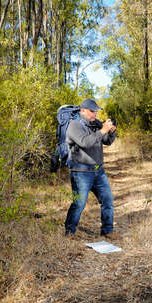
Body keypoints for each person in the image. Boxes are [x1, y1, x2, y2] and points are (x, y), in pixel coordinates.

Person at [64, 98, 117, 239]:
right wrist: (102, 131)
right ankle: (69, 232)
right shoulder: (74, 125)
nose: (95, 114)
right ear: (83, 110)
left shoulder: (95, 124)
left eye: (96, 111)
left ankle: (107, 230)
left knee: (107, 201)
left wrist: (111, 132)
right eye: (92, 111)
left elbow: (107, 142)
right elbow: (85, 142)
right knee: (79, 203)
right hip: (81, 172)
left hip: (98, 172)